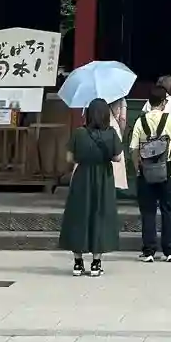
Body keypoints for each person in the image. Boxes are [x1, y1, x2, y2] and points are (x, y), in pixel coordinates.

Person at [60, 97, 121, 276]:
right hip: (103, 178)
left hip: (82, 176)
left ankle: (78, 263)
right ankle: (96, 263)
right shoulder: (111, 133)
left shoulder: (79, 133)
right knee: (100, 215)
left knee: (79, 216)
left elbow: (69, 158)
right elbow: (117, 157)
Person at [130, 86, 171, 263]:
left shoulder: (140, 121)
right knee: (170, 211)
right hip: (168, 172)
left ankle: (149, 251)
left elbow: (134, 149)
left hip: (145, 172)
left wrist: (137, 168)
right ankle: (170, 251)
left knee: (148, 212)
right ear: (164, 102)